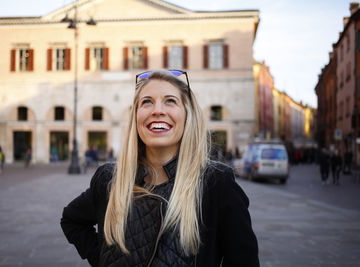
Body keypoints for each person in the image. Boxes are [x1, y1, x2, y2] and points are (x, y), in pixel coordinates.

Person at [61, 70, 259, 266]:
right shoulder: (109, 179)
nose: (157, 110)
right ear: (136, 116)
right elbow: (72, 221)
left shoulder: (216, 182)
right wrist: (103, 258)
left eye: (170, 101)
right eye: (146, 102)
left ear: (187, 115)